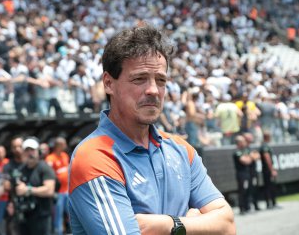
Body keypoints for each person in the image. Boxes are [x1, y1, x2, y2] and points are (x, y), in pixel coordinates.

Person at [68, 24, 235, 235]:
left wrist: (170, 225)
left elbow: (227, 226)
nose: (153, 90)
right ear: (109, 83)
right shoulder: (95, 156)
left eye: (161, 80)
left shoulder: (182, 150)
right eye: (139, 79)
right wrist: (197, 223)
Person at [10, 137, 56, 235]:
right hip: (24, 215)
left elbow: (49, 190)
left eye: (32, 150)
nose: (29, 153)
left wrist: (28, 190)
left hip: (41, 216)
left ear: (38, 151)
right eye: (27, 150)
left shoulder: (45, 168)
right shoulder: (20, 170)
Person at [45, 137, 70, 235]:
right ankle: (58, 232)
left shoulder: (65, 155)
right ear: (58, 145)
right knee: (58, 216)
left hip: (67, 190)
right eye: (63, 144)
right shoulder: (50, 158)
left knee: (71, 213)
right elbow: (50, 175)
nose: (65, 146)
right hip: (58, 192)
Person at [233, 135, 253, 215]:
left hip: (246, 173)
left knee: (247, 190)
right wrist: (250, 157)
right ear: (239, 143)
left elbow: (252, 158)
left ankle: (247, 207)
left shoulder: (245, 151)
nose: (244, 143)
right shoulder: (237, 152)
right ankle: (242, 208)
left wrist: (249, 157)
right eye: (243, 141)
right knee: (242, 191)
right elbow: (246, 161)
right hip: (241, 174)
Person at [259, 131, 278, 209]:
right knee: (269, 186)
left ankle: (271, 203)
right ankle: (271, 203)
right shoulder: (265, 146)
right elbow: (267, 158)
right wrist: (272, 169)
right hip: (267, 169)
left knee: (269, 186)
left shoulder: (264, 145)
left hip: (266, 169)